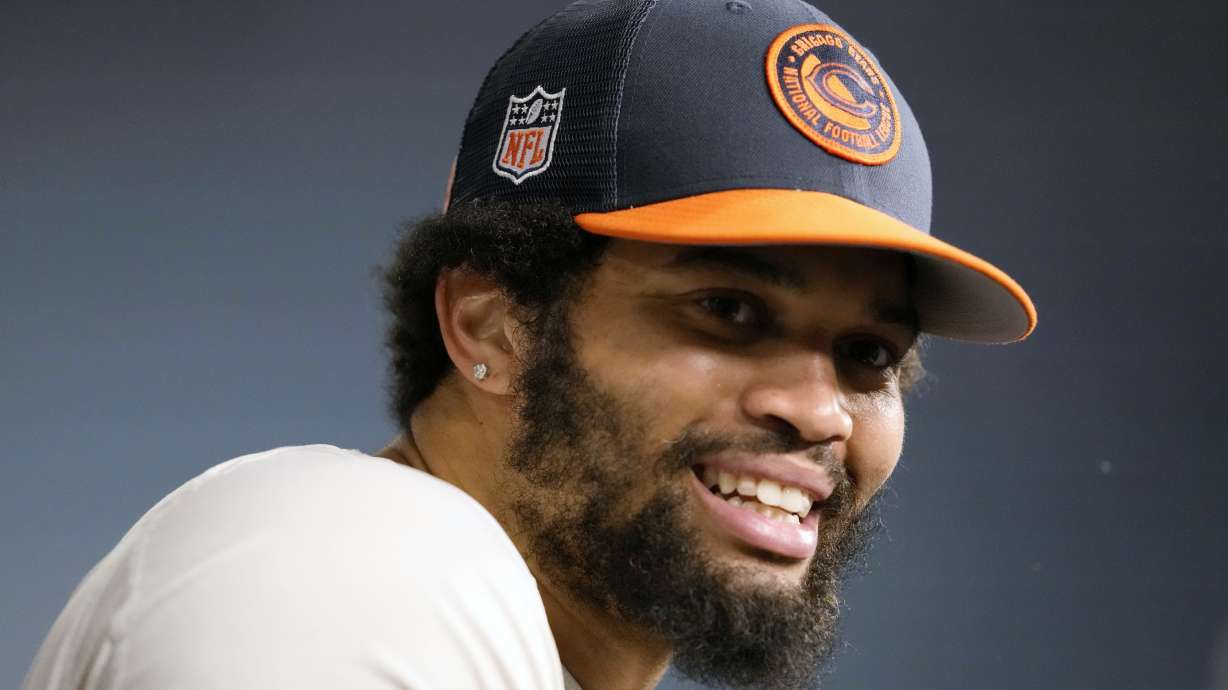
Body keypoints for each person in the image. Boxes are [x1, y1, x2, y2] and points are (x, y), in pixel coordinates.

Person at [23, 1, 1037, 689]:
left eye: (866, 355)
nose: (817, 410)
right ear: (490, 324)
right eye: (727, 311)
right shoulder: (358, 562)